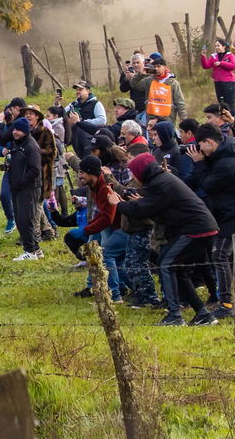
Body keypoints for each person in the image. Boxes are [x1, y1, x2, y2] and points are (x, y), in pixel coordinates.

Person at [116, 152, 220, 326]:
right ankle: (203, 315)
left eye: (134, 173)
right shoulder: (161, 180)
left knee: (167, 264)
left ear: (141, 171)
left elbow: (143, 211)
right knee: (178, 270)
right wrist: (137, 202)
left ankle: (175, 316)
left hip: (195, 229)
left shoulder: (160, 183)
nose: (133, 177)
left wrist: (117, 204)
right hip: (201, 227)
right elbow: (152, 206)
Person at [185, 125, 235, 319]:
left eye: (200, 145)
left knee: (220, 255)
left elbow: (207, 185)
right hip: (224, 212)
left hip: (229, 214)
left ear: (210, 142)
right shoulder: (224, 151)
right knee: (224, 256)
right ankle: (226, 300)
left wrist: (199, 163)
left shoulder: (226, 164)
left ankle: (226, 303)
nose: (198, 150)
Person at [76, 155, 128, 302]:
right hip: (115, 228)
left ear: (92, 173)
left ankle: (115, 295)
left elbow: (107, 218)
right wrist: (90, 226)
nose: (80, 176)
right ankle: (131, 289)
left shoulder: (105, 188)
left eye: (82, 172)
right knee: (119, 262)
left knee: (107, 255)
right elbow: (101, 213)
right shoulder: (94, 187)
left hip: (124, 227)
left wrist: (86, 230)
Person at [8, 116, 43, 260]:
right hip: (18, 188)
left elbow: (35, 169)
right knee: (20, 218)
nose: (15, 132)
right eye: (14, 129)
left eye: (18, 130)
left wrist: (21, 182)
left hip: (29, 188)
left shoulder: (31, 146)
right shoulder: (17, 144)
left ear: (25, 131)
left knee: (25, 219)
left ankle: (30, 251)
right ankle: (36, 249)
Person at [23, 105, 58, 240]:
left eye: (31, 113)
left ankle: (34, 235)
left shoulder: (46, 132)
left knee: (36, 204)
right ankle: (48, 230)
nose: (28, 116)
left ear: (37, 116)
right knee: (36, 204)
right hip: (29, 174)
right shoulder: (26, 133)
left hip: (43, 174)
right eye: (26, 113)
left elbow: (52, 152)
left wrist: (34, 153)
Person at [0, 97, 27, 232]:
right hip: (9, 167)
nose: (9, 114)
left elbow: (3, 136)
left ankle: (49, 223)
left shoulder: (21, 126)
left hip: (22, 167)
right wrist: (1, 150)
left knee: (29, 198)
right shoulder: (6, 128)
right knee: (4, 195)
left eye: (10, 111)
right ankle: (11, 219)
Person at [131, 56, 186, 123]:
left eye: (159, 66)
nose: (156, 68)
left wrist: (183, 118)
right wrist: (140, 74)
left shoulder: (173, 83)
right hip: (151, 119)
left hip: (167, 119)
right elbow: (135, 85)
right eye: (155, 67)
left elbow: (179, 102)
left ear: (165, 67)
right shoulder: (149, 81)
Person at [64, 81, 106, 159]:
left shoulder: (96, 103)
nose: (77, 91)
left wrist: (81, 122)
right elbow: (61, 114)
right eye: (76, 90)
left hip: (91, 138)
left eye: (80, 89)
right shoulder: (73, 105)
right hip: (76, 138)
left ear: (88, 91)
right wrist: (57, 104)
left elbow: (102, 120)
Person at [199, 37, 235, 110]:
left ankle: (232, 118)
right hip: (218, 82)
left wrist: (221, 63)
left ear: (224, 46)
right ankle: (223, 118)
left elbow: (233, 65)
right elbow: (206, 66)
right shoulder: (214, 56)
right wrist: (203, 56)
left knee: (229, 102)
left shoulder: (230, 55)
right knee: (221, 102)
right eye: (215, 46)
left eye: (218, 46)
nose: (216, 47)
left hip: (228, 82)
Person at [120, 52, 148, 117]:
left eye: (138, 63)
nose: (136, 65)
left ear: (143, 63)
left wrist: (135, 78)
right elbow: (123, 89)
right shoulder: (130, 74)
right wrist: (126, 79)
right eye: (134, 63)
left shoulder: (147, 73)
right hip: (135, 108)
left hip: (146, 107)